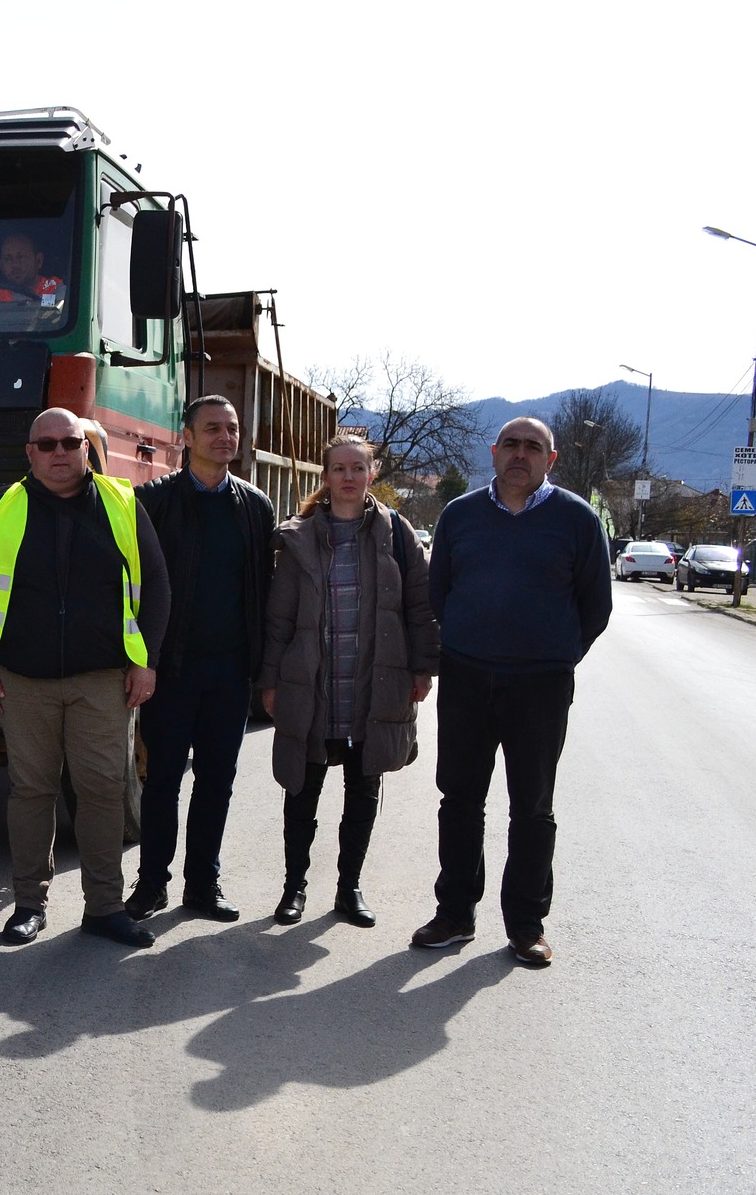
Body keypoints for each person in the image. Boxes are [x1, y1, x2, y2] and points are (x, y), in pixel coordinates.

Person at [0, 408, 172, 947]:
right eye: (45, 445)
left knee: (103, 790)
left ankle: (104, 908)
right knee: (32, 791)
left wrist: (147, 661)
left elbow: (158, 588)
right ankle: (29, 904)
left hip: (104, 677)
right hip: (22, 679)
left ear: (85, 447)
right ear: (29, 453)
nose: (58, 454)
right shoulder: (0, 509)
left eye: (69, 443)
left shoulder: (123, 503)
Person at [417, 416, 611, 966]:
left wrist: (558, 655)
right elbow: (441, 592)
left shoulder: (576, 518)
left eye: (533, 447)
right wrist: (467, 642)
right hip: (467, 678)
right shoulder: (460, 514)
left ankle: (526, 925)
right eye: (511, 445)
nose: (520, 455)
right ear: (494, 452)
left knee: (532, 807)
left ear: (551, 459)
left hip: (541, 685)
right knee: (459, 799)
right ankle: (454, 914)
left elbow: (596, 605)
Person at [257, 434, 439, 928]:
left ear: (371, 474)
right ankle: (294, 888)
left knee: (363, 790)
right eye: (339, 469)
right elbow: (278, 618)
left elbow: (420, 608)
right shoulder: (298, 538)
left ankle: (348, 888)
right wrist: (269, 681)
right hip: (312, 684)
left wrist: (422, 669)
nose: (349, 478)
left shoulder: (396, 534)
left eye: (358, 468)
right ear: (326, 477)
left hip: (373, 685)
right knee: (302, 790)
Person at [127, 395, 277, 923]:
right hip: (170, 670)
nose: (225, 437)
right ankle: (151, 885)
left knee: (217, 780)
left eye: (232, 428)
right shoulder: (152, 501)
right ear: (186, 437)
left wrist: (265, 669)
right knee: (162, 780)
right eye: (212, 428)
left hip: (230, 671)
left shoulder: (255, 507)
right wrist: (138, 659)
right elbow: (132, 587)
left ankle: (202, 884)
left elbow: (266, 592)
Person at [0, 232, 63, 307]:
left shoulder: (53, 289)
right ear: (1, 266)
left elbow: (55, 313)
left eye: (21, 257)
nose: (15, 265)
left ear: (38, 261)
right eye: (8, 259)